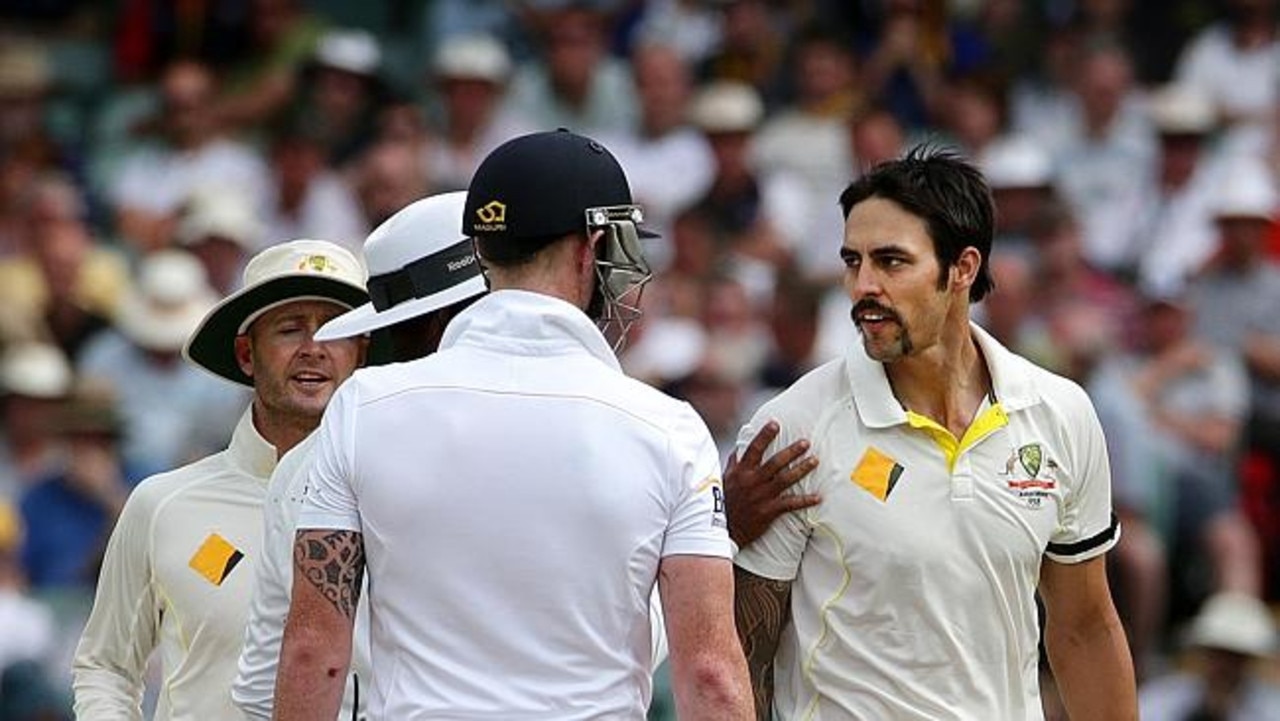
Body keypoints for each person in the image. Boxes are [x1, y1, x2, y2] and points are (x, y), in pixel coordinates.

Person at [274, 129, 753, 719]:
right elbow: (709, 675)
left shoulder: (364, 407)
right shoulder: (668, 427)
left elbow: (312, 653)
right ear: (590, 247)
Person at [732, 146, 1138, 720]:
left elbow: (1084, 629)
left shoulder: (1061, 413)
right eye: (853, 261)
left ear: (963, 269)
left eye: (891, 262)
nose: (862, 286)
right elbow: (741, 656)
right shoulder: (795, 427)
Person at [71, 239, 369, 720]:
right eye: (291, 329)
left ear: (361, 352)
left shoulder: (396, 504)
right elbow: (105, 666)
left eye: (335, 330)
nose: (314, 348)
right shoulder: (162, 504)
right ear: (246, 354)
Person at [233, 191, 487, 720]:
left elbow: (274, 678)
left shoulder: (306, 464)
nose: (313, 348)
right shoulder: (572, 430)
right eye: (287, 327)